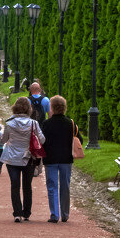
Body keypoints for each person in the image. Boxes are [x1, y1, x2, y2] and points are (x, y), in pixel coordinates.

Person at [1, 96, 45, 222]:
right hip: (28, 157)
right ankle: (27, 212)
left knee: (14, 185)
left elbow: (4, 139)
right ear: (29, 109)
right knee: (27, 185)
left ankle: (17, 213)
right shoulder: (34, 124)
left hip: (12, 158)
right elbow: (42, 139)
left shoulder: (9, 123)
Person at [40, 95, 78, 223]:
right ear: (64, 108)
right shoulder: (70, 123)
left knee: (52, 186)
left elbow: (42, 141)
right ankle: (65, 214)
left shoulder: (46, 124)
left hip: (50, 158)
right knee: (65, 186)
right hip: (66, 159)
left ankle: (54, 214)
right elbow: (79, 140)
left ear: (51, 108)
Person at [26, 82, 51, 176]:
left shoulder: (27, 100)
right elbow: (50, 114)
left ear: (31, 90)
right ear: (39, 90)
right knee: (39, 146)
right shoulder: (45, 100)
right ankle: (37, 166)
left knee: (30, 145)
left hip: (30, 126)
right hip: (41, 126)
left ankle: (30, 164)